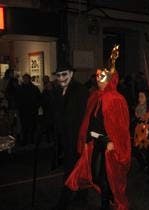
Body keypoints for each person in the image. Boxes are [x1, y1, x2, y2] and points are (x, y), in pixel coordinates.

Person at [65, 45, 131, 210]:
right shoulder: (95, 96)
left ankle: (106, 204)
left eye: (103, 77)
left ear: (110, 79)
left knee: (106, 177)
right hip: (96, 141)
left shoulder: (116, 99)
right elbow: (90, 120)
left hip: (108, 144)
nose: (99, 80)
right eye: (98, 77)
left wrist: (113, 142)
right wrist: (87, 136)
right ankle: (107, 197)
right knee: (95, 175)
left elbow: (120, 126)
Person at [52, 65, 88, 210]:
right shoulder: (59, 90)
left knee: (71, 170)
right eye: (58, 75)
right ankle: (81, 196)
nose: (61, 78)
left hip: (77, 139)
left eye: (64, 74)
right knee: (77, 169)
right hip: (66, 139)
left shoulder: (80, 90)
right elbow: (58, 112)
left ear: (71, 74)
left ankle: (64, 202)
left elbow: (81, 116)